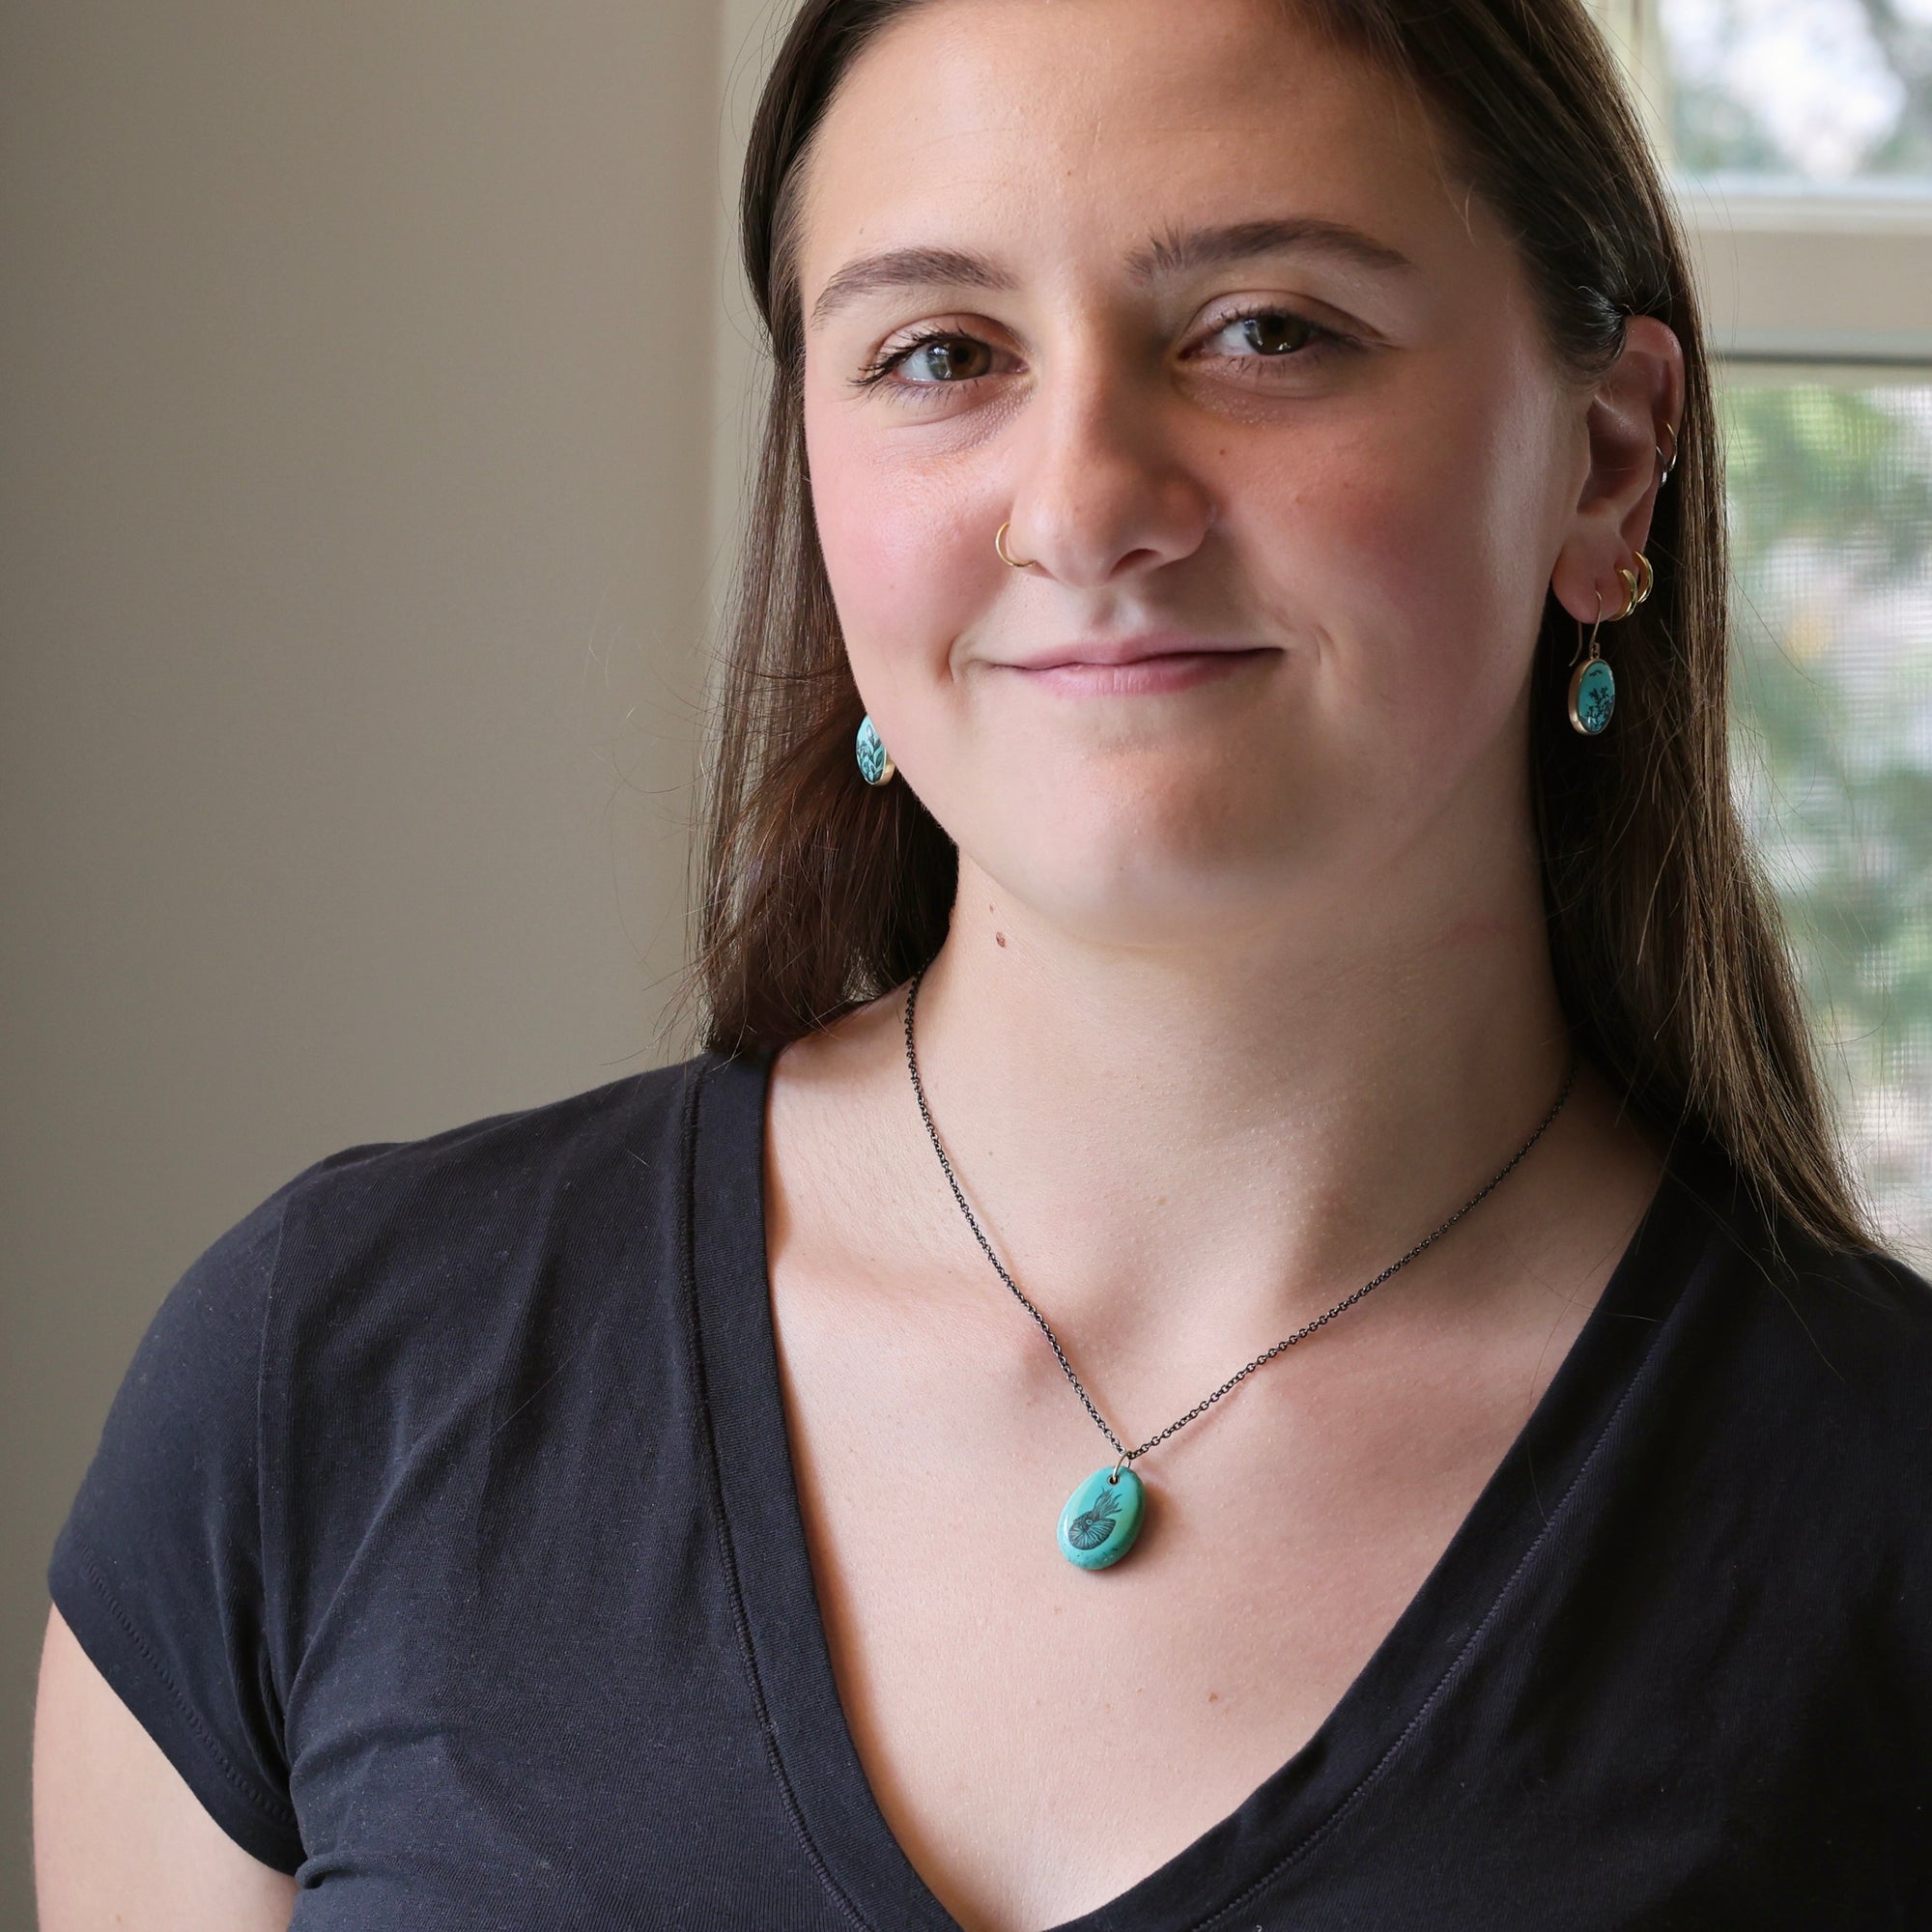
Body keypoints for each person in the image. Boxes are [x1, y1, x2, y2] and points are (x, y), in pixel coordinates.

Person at [32, 0, 1932, 1926]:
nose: (1082, 504)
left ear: (1607, 459)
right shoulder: (325, 1380)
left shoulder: (1882, 1519)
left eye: (1269, 331)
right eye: (940, 354)